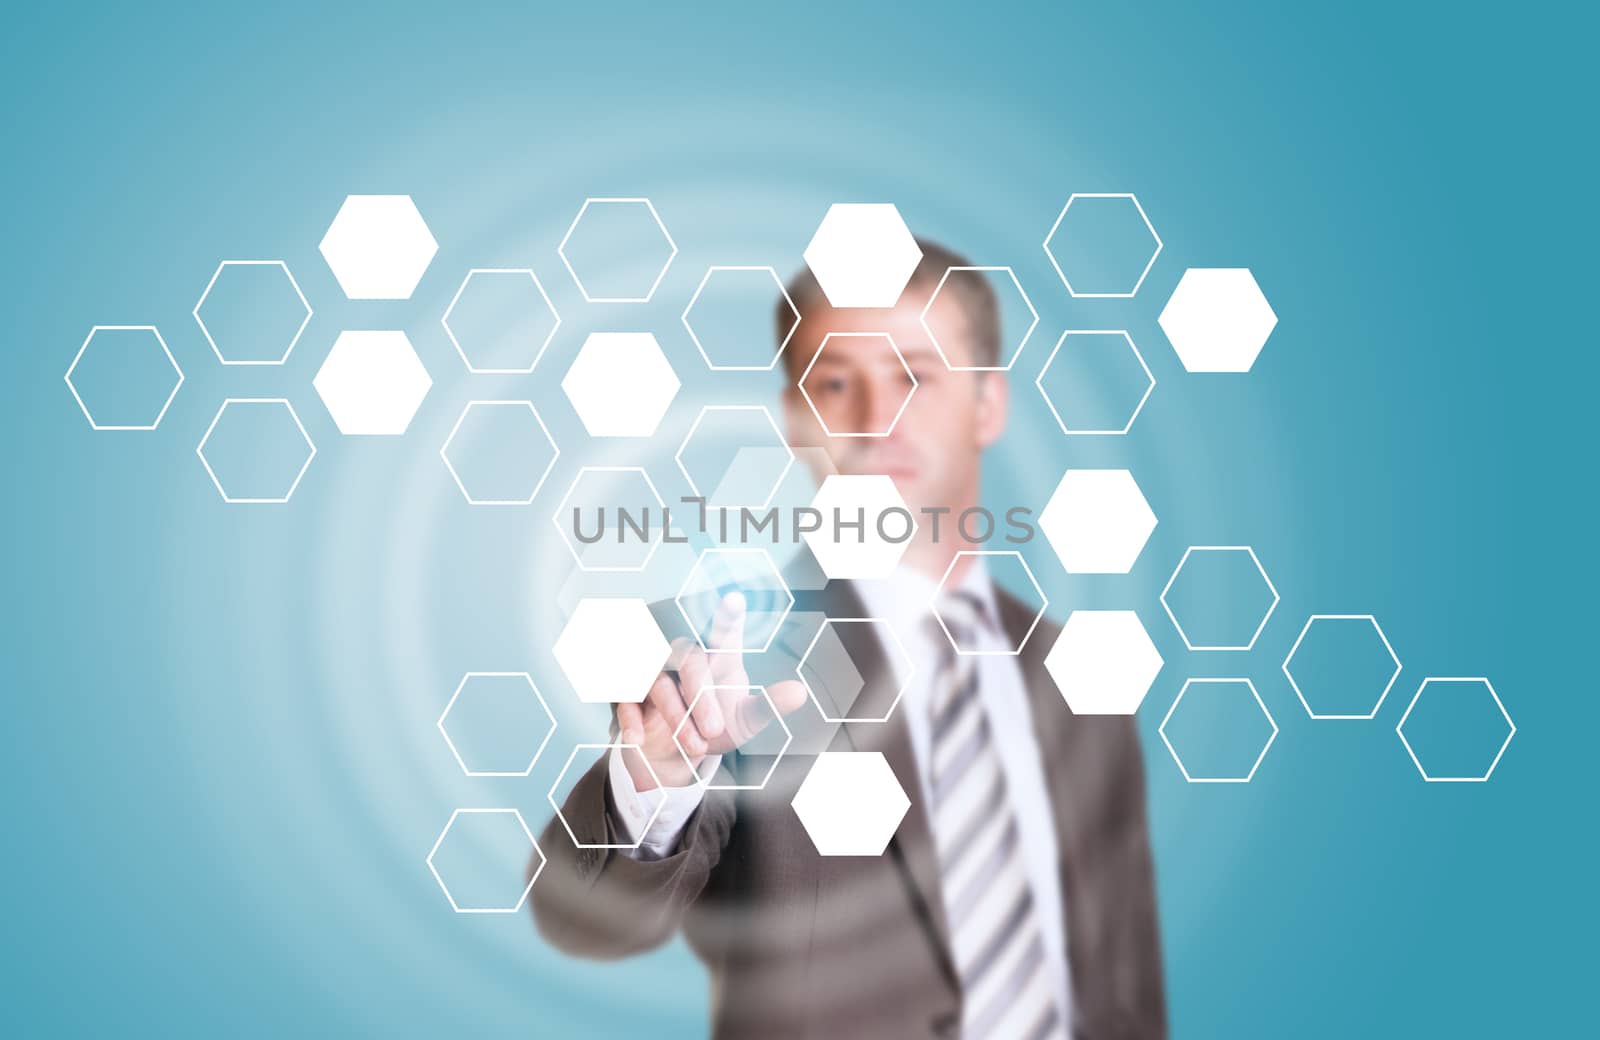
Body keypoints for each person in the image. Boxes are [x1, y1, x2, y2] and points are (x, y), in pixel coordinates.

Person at [531, 240, 1166, 1039]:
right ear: (795, 418)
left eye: (915, 376)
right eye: (835, 383)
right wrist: (660, 775)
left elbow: (1123, 981)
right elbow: (584, 922)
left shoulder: (1079, 675)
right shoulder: (720, 662)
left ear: (987, 405)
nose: (876, 418)